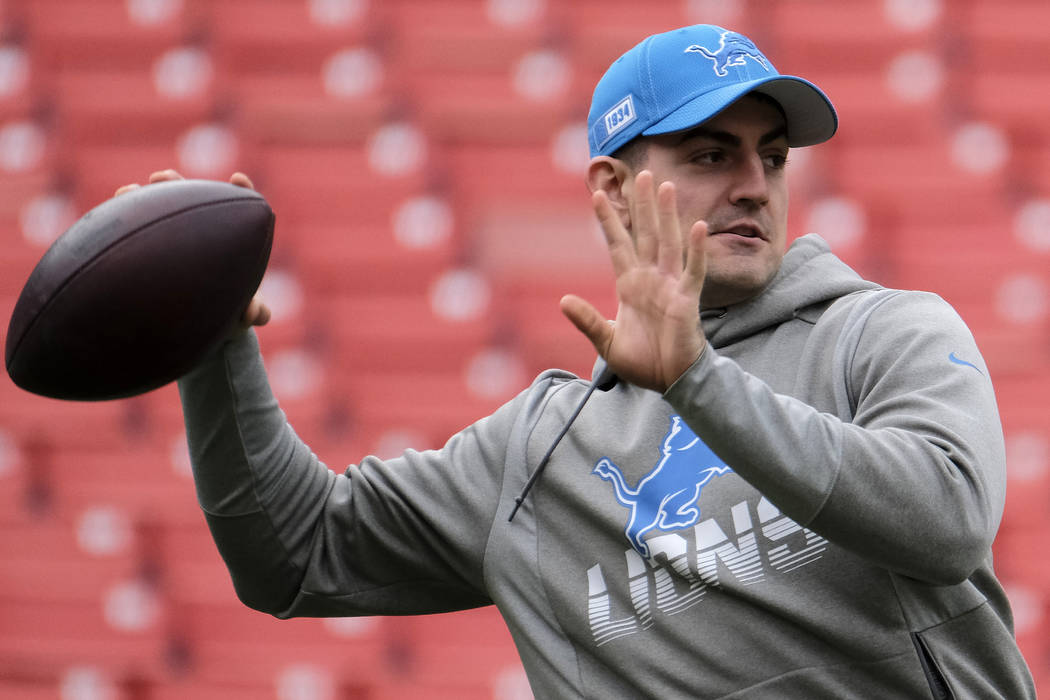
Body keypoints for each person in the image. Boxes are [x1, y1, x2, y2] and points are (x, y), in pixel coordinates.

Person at [128, 24, 1035, 699]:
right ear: (610, 187)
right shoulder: (541, 451)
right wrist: (213, 340)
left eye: (773, 155)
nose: (754, 183)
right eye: (712, 153)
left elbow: (947, 522)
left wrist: (697, 382)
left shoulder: (881, 333)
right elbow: (295, 553)